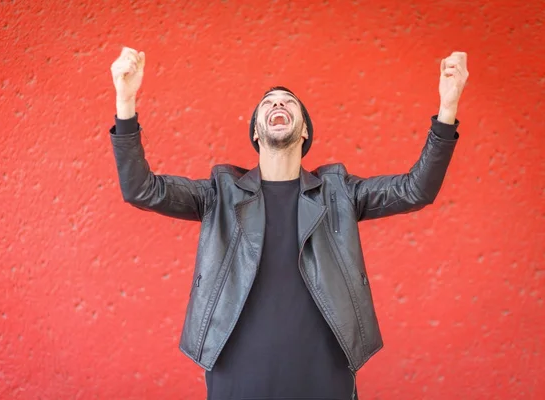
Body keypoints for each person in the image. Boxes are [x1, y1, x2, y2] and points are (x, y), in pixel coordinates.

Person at [108, 47, 468, 400]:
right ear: (255, 134)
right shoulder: (220, 193)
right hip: (237, 369)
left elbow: (415, 190)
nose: (278, 104)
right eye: (268, 103)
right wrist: (125, 102)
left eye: (288, 102)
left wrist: (447, 108)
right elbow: (142, 189)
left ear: (306, 132)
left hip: (322, 370)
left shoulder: (339, 191)